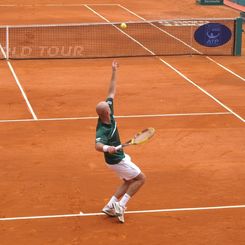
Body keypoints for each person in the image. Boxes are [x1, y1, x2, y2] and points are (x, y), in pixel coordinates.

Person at [95, 60, 146, 223]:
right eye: (108, 108)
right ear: (105, 113)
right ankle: (121, 206)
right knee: (141, 179)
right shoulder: (103, 128)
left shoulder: (108, 111)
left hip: (116, 158)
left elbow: (111, 92)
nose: (111, 106)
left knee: (128, 180)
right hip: (116, 160)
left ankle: (110, 206)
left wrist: (114, 71)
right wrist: (107, 147)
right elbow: (97, 145)